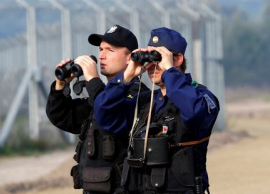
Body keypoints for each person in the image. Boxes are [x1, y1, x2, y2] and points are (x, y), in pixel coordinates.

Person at [94, 27, 220, 194]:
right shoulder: (145, 102)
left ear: (178, 59)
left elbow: (195, 113)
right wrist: (126, 78)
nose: (153, 65)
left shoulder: (201, 97)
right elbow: (105, 115)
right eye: (150, 58)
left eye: (158, 58)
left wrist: (170, 72)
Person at [46, 25, 149, 194]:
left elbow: (107, 110)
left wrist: (93, 79)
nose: (102, 55)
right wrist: (61, 85)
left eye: (110, 50)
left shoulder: (138, 95)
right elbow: (62, 116)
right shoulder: (100, 96)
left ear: (130, 58)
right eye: (100, 49)